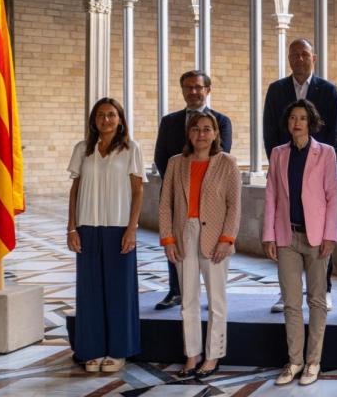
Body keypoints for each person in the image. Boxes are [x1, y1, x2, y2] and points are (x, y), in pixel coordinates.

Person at [158, 113, 240, 380]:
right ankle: (192, 354)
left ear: (216, 133)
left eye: (207, 129)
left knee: (217, 300)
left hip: (216, 238)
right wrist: (168, 239)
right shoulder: (175, 163)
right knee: (188, 300)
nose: (201, 134)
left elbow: (234, 205)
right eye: (196, 129)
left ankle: (213, 355)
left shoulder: (227, 163)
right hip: (184, 235)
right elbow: (165, 204)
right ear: (189, 134)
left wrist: (228, 239)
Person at [264, 39, 337, 312]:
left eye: (304, 54)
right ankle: (286, 292)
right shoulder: (276, 90)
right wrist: (280, 164)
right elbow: (269, 131)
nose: (299, 59)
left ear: (314, 58)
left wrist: (317, 160)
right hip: (287, 165)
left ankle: (325, 288)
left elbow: (335, 132)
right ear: (288, 58)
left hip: (320, 169)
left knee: (320, 230)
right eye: (294, 54)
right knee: (288, 235)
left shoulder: (329, 90)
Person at [263, 100, 337, 386]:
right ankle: (294, 361)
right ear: (287, 122)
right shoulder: (278, 154)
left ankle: (313, 362)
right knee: (291, 303)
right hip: (286, 236)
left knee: (317, 300)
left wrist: (331, 235)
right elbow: (271, 196)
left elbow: (332, 196)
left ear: (311, 122)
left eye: (303, 118)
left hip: (318, 237)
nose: (297, 123)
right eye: (293, 117)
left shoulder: (326, 153)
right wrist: (268, 235)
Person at [66, 98, 144, 373]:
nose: (106, 119)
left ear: (120, 119)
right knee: (89, 291)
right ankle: (91, 349)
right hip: (87, 227)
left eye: (111, 115)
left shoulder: (131, 149)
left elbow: (137, 192)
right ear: (94, 120)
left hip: (119, 227)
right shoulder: (83, 150)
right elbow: (75, 190)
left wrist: (132, 228)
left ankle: (118, 350)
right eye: (101, 115)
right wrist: (72, 227)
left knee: (119, 291)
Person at [153, 70, 233, 311]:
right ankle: (176, 291)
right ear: (182, 91)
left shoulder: (221, 121)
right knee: (176, 244)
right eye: (188, 87)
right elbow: (161, 157)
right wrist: (178, 185)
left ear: (207, 90)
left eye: (198, 87)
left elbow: (221, 155)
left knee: (210, 250)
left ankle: (212, 294)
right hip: (178, 195)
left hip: (210, 198)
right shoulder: (169, 121)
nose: (193, 91)